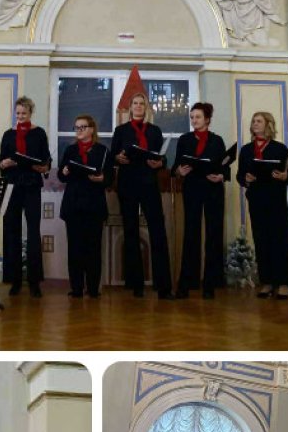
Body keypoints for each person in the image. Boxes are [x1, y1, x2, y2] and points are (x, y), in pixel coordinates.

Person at [111, 92, 171, 298]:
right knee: (130, 231)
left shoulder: (155, 130)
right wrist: (118, 158)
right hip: (127, 184)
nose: (138, 106)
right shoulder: (121, 130)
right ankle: (135, 284)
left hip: (149, 183)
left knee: (158, 231)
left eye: (141, 103)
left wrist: (160, 162)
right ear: (130, 108)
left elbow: (163, 157)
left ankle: (163, 286)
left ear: (146, 108)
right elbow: (113, 156)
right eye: (135, 103)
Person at [237, 111, 288, 299]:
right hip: (256, 200)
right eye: (253, 121)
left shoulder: (279, 148)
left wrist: (284, 176)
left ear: (268, 125)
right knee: (261, 240)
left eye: (259, 121)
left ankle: (283, 282)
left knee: (279, 240)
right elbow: (239, 175)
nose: (255, 124)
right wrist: (245, 178)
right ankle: (267, 282)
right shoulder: (246, 150)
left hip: (276, 199)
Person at [0, 96, 52, 297]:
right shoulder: (8, 134)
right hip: (12, 185)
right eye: (18, 113)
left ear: (30, 113)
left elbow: (46, 159)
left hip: (31, 185)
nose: (20, 116)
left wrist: (44, 167)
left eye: (24, 113)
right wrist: (4, 164)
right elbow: (0, 160)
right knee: (11, 230)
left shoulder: (39, 133)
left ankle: (34, 281)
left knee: (33, 232)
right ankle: (15, 280)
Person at [173, 102, 227, 299]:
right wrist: (179, 171)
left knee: (213, 235)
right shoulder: (184, 139)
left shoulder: (217, 141)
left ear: (207, 119)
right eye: (192, 117)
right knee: (191, 234)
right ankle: (187, 283)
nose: (194, 120)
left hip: (213, 189)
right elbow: (176, 166)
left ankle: (210, 284)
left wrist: (221, 176)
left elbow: (225, 167)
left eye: (197, 117)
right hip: (192, 189)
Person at [56, 115, 111, 298]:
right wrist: (64, 171)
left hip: (94, 205)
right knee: (75, 249)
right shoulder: (70, 150)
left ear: (91, 129)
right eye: (76, 127)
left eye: (82, 127)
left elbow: (110, 177)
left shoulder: (102, 150)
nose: (79, 130)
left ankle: (93, 289)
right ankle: (77, 288)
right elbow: (61, 176)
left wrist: (102, 178)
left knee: (93, 249)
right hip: (73, 205)